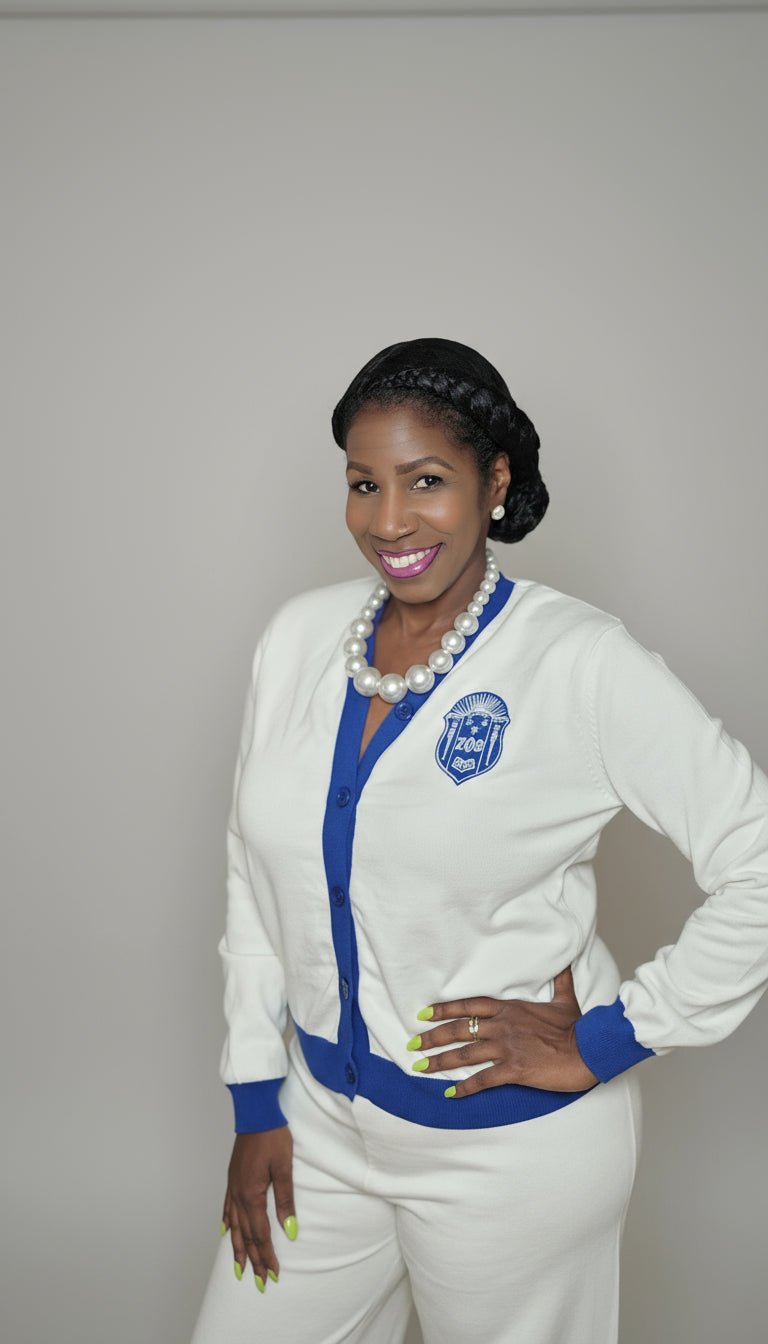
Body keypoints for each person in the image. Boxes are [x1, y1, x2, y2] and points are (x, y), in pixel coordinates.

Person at [190, 337, 768, 1344]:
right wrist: (254, 1096)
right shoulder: (296, 640)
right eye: (363, 484)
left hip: (511, 1157)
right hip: (319, 1126)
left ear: (495, 481)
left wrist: (610, 1037)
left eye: (427, 482)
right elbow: (253, 871)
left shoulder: (580, 664)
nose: (389, 521)